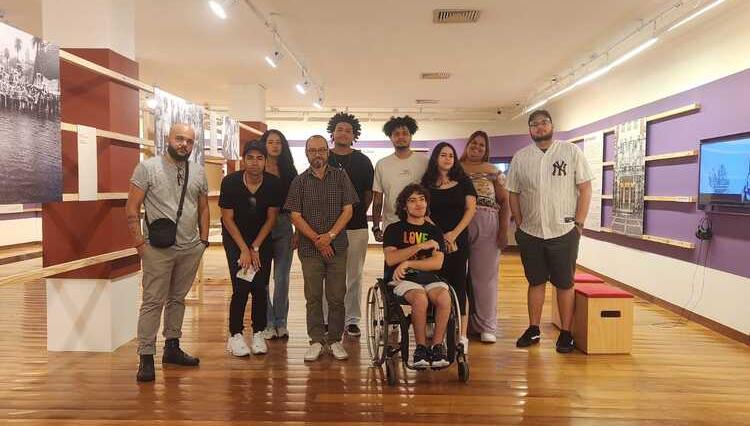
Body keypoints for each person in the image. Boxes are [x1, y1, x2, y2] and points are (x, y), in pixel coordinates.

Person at [126, 123, 209, 382]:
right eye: (179, 139)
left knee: (177, 299)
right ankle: (146, 356)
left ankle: (172, 347)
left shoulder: (198, 171)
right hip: (157, 248)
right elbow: (132, 207)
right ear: (168, 139)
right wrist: (140, 244)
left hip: (190, 247)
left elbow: (204, 208)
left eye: (190, 141)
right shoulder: (147, 168)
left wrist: (203, 241)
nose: (184, 144)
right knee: (153, 302)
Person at [506, 110, 593, 353]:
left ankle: (566, 333)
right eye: (534, 125)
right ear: (530, 130)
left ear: (552, 125)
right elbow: (513, 192)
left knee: (565, 283)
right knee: (535, 281)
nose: (540, 127)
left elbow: (585, 187)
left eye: (544, 123)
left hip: (564, 231)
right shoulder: (521, 157)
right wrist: (520, 224)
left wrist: (579, 223)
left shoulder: (570, 152)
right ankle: (533, 329)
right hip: (531, 232)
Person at [284, 135, 359, 362]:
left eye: (321, 150)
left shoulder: (341, 177)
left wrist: (330, 236)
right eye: (312, 150)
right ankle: (316, 340)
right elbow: (295, 216)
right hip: (309, 249)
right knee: (313, 296)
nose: (317, 154)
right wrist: (318, 239)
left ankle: (335, 340)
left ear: (328, 152)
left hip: (337, 247)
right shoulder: (299, 181)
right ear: (306, 153)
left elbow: (348, 210)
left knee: (337, 296)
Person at [220, 141, 282, 357]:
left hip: (261, 239)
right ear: (243, 160)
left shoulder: (273, 183)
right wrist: (244, 250)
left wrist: (255, 246)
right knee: (241, 286)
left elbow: (272, 218)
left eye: (259, 158)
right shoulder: (230, 182)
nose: (255, 162)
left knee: (260, 286)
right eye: (250, 158)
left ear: (265, 161)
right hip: (235, 238)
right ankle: (235, 334)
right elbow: (227, 218)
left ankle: (258, 332)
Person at [383, 184, 451, 368]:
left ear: (427, 204)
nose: (418, 204)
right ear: (404, 206)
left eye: (422, 199)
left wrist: (408, 262)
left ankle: (437, 347)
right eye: (412, 200)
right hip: (402, 280)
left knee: (445, 298)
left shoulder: (434, 231)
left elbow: (437, 263)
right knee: (420, 299)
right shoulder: (394, 229)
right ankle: (420, 348)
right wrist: (420, 246)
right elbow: (391, 259)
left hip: (428, 278)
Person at [421, 142, 476, 353]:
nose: (447, 159)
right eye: (443, 155)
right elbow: (423, 212)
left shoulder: (463, 181)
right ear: (436, 158)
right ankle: (435, 326)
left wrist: (454, 234)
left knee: (460, 285)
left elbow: (470, 209)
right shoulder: (426, 183)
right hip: (434, 241)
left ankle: (462, 335)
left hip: (458, 240)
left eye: (451, 156)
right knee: (435, 283)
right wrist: (441, 236)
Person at [326, 112, 374, 337]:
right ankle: (328, 319)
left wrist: (355, 214)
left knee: (354, 273)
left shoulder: (363, 161)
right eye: (340, 129)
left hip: (356, 226)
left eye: (348, 130)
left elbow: (368, 194)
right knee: (330, 273)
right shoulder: (324, 157)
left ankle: (352, 319)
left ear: (354, 135)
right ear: (332, 133)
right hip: (326, 228)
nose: (343, 133)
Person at [460, 130, 510, 344]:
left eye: (482, 145)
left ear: (486, 150)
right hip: (459, 222)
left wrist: (503, 231)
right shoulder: (455, 167)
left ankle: (486, 325)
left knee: (485, 278)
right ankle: (459, 322)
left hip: (487, 223)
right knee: (457, 275)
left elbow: (505, 202)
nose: (477, 147)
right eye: (474, 143)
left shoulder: (493, 171)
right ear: (467, 144)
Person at [259, 129, 298, 340]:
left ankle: (281, 321)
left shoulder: (289, 171)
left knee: (282, 277)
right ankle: (267, 321)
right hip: (261, 227)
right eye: (270, 142)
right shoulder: (256, 168)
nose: (274, 146)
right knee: (262, 278)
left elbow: (297, 205)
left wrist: (298, 231)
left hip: (284, 225)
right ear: (264, 144)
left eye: (278, 142)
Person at [372, 115, 429, 242]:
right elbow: (377, 199)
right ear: (391, 137)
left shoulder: (424, 162)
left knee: (419, 260)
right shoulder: (382, 164)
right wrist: (376, 226)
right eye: (396, 134)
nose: (401, 137)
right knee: (392, 261)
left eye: (405, 133)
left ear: (411, 135)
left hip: (420, 225)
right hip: (391, 224)